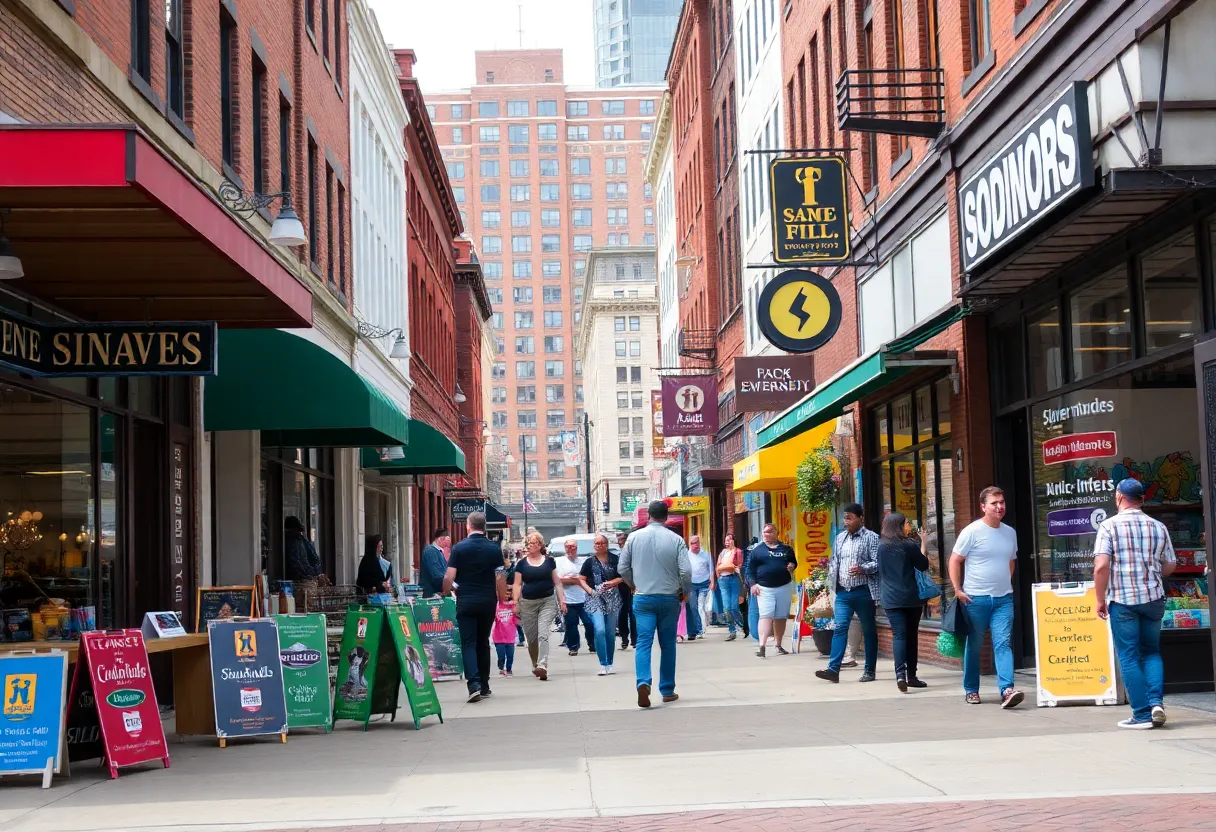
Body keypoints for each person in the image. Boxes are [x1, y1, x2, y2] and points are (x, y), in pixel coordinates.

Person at [1093, 478, 1177, 728]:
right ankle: (1156, 705)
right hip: (1153, 598)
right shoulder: (1158, 527)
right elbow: (1170, 566)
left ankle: (1141, 714)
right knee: (1151, 651)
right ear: (1142, 499)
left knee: (1129, 655)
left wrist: (1099, 599)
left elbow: (1101, 566)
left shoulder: (1108, 527)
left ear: (1119, 497)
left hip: (1123, 599)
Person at [950, 486, 1024, 708]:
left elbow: (1012, 560)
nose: (1000, 506)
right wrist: (958, 589)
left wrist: (1006, 583)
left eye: (1002, 502)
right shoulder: (971, 532)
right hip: (975, 600)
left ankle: (1007, 689)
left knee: (1003, 643)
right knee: (974, 645)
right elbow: (954, 560)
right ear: (983, 507)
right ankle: (971, 689)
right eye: (994, 503)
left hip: (1003, 600)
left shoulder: (1010, 532)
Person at [619, 500, 691, 708]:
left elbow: (623, 567)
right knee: (668, 644)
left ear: (649, 516)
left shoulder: (633, 538)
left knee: (643, 642)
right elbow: (686, 572)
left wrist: (633, 584)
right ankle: (667, 689)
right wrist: (684, 591)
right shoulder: (676, 539)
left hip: (643, 596)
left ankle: (643, 682)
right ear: (666, 516)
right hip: (669, 597)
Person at [443, 512, 508, 703]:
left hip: (466, 601)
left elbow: (449, 577)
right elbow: (500, 576)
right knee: (483, 642)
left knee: (468, 643)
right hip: (487, 601)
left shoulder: (459, 548)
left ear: (468, 525)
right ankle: (485, 685)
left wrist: (446, 591)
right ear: (484, 526)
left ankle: (474, 684)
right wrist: (502, 597)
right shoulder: (494, 549)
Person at [816, 504, 880, 682]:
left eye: (850, 517)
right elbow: (834, 563)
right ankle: (833, 670)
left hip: (864, 592)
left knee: (868, 630)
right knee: (840, 628)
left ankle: (869, 670)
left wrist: (862, 568)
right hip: (843, 593)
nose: (846, 522)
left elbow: (878, 563)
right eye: (845, 518)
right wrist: (828, 587)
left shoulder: (871, 538)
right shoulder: (840, 538)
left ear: (861, 518)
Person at [876, 513, 931, 692]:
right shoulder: (908, 545)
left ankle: (900, 674)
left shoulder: (881, 546)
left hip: (890, 598)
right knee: (911, 635)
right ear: (899, 526)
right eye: (907, 523)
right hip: (910, 597)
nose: (909, 526)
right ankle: (912, 676)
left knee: (899, 635)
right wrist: (923, 541)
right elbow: (923, 565)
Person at [512, 531, 567, 680]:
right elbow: (517, 584)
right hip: (528, 603)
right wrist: (515, 602)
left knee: (543, 633)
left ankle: (542, 665)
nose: (530, 546)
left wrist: (562, 600)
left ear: (540, 545)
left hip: (547, 601)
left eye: (533, 543)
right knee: (531, 639)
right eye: (528, 543)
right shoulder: (521, 564)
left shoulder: (549, 561)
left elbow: (557, 582)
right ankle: (535, 664)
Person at [748, 523, 798, 658]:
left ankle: (778, 644)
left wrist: (792, 565)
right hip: (764, 588)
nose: (766, 534)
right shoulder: (757, 551)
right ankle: (762, 646)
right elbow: (750, 570)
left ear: (777, 532)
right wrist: (752, 584)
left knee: (781, 617)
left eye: (769, 531)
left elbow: (794, 562)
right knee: (765, 615)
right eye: (764, 532)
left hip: (784, 586)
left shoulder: (786, 549)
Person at [577, 534, 625, 675]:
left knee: (610, 632)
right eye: (597, 543)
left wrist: (614, 582)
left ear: (607, 544)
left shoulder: (615, 559)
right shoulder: (589, 562)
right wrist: (590, 591)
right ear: (594, 545)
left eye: (602, 543)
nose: (599, 545)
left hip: (612, 597)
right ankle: (603, 663)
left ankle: (609, 663)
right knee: (599, 630)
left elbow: (624, 575)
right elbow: (581, 579)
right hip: (595, 598)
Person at [556, 538, 595, 656]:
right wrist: (576, 580)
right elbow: (558, 580)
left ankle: (592, 644)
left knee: (589, 623)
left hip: (584, 599)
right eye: (567, 546)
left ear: (577, 548)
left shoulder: (583, 561)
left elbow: (586, 579)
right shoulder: (559, 561)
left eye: (572, 546)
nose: (570, 549)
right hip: (568, 600)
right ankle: (573, 647)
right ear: (564, 548)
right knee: (571, 625)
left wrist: (574, 580)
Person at [683, 535, 714, 641]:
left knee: (701, 606)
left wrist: (712, 582)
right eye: (693, 543)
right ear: (689, 544)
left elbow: (711, 570)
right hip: (691, 585)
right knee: (693, 607)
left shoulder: (706, 555)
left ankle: (701, 630)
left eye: (697, 543)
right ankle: (696, 630)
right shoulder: (686, 556)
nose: (695, 545)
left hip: (704, 584)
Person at [716, 533, 746, 641]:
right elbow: (718, 567)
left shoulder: (738, 551)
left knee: (734, 607)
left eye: (730, 539)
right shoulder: (722, 553)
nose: (728, 541)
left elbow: (737, 566)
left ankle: (742, 626)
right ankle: (732, 630)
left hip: (734, 580)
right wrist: (725, 568)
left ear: (734, 540)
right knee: (726, 608)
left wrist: (727, 567)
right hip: (723, 581)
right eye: (726, 540)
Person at [356, 534, 394, 604]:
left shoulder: (385, 563)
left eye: (382, 546)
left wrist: (387, 584)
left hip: (384, 599)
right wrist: (380, 584)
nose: (381, 549)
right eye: (379, 547)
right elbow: (363, 581)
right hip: (369, 600)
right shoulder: (366, 562)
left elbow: (389, 578)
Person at [284, 516, 324, 582]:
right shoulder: (296, 540)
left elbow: (312, 557)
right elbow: (298, 562)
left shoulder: (299, 539)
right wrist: (314, 573)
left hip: (304, 576)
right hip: (301, 578)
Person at [616, 530, 637, 651]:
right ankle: (624, 638)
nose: (621, 544)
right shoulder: (619, 555)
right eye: (620, 542)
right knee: (623, 612)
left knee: (633, 613)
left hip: (634, 585)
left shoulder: (635, 554)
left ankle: (635, 639)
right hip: (623, 586)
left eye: (622, 542)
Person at [419, 529, 451, 598]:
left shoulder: (438, 552)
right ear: (440, 539)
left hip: (436, 592)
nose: (449, 542)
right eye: (447, 539)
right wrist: (450, 586)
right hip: (431, 593)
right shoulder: (431, 551)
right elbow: (437, 575)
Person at [493, 595, 519, 677]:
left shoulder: (513, 606)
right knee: (501, 655)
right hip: (498, 637)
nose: (506, 595)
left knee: (510, 655)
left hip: (510, 636)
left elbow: (518, 622)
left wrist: (517, 613)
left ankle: (509, 669)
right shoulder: (496, 605)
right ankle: (501, 668)